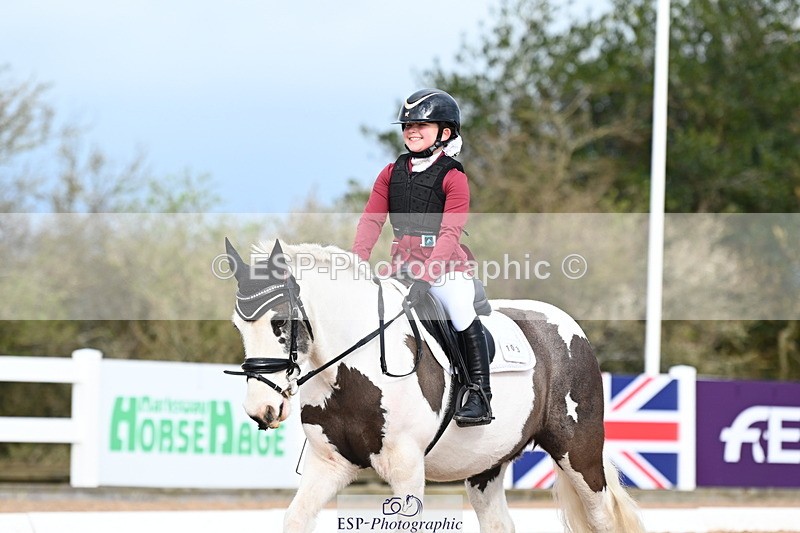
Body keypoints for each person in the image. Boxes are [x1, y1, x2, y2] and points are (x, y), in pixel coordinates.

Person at [352, 88, 492, 427]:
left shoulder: (453, 177)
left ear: (445, 132)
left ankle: (478, 393)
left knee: (459, 310)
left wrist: (428, 278)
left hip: (445, 267)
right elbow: (372, 220)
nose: (411, 131)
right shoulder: (390, 173)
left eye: (422, 125)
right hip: (401, 264)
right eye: (407, 126)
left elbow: (449, 234)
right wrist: (356, 262)